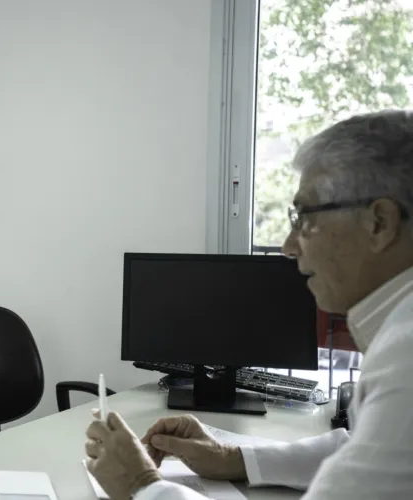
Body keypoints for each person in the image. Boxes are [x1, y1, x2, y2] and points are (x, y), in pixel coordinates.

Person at [85, 109, 413, 499]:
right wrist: (235, 457)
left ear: (380, 222)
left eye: (304, 218)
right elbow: (358, 448)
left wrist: (141, 486)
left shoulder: (405, 362)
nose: (290, 247)